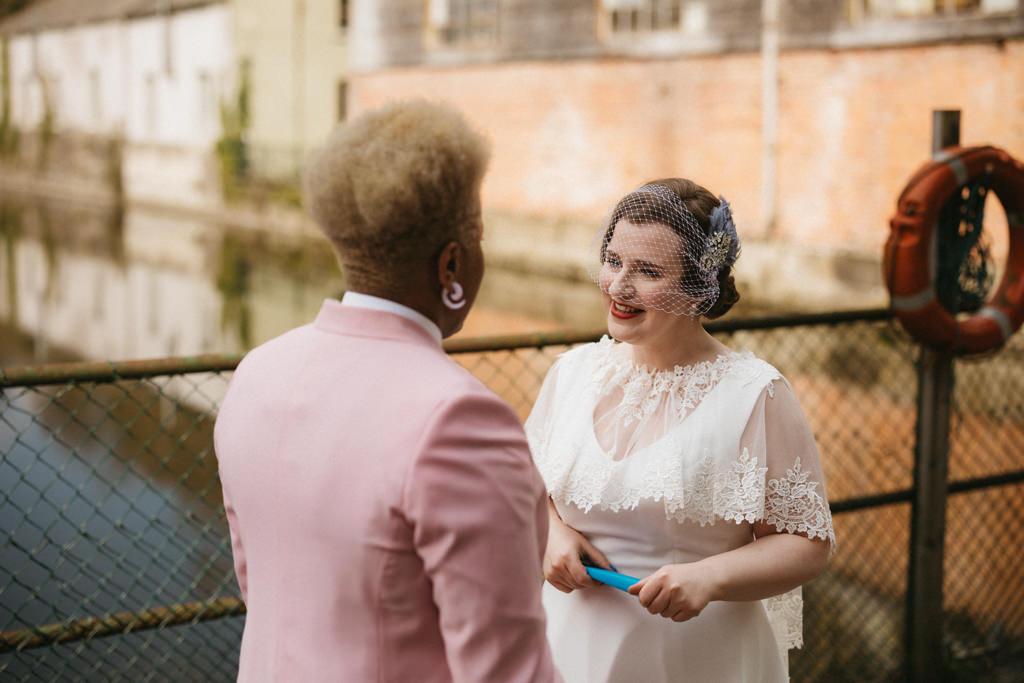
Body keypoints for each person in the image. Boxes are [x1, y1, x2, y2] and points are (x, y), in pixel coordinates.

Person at [214, 100, 561, 682]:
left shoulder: (257, 371)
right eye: (477, 234)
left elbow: (257, 582)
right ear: (452, 263)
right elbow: (506, 670)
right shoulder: (459, 419)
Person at [525, 178, 835, 682]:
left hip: (693, 655)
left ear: (698, 286)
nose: (618, 285)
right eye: (614, 260)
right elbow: (525, 485)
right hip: (568, 644)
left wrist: (709, 576)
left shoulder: (754, 394)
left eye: (647, 271)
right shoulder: (572, 373)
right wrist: (550, 533)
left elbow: (807, 542)